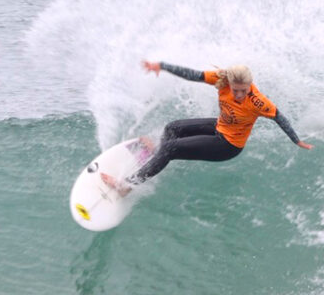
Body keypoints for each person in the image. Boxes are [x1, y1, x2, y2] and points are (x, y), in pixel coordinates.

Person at [101, 60, 312, 195]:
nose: (239, 95)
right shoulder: (222, 80)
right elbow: (192, 74)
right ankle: (156, 157)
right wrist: (162, 66)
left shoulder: (258, 101)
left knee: (171, 148)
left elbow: (279, 118)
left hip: (228, 145)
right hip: (220, 127)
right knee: (172, 128)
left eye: (243, 91)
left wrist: (296, 140)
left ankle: (126, 185)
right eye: (236, 90)